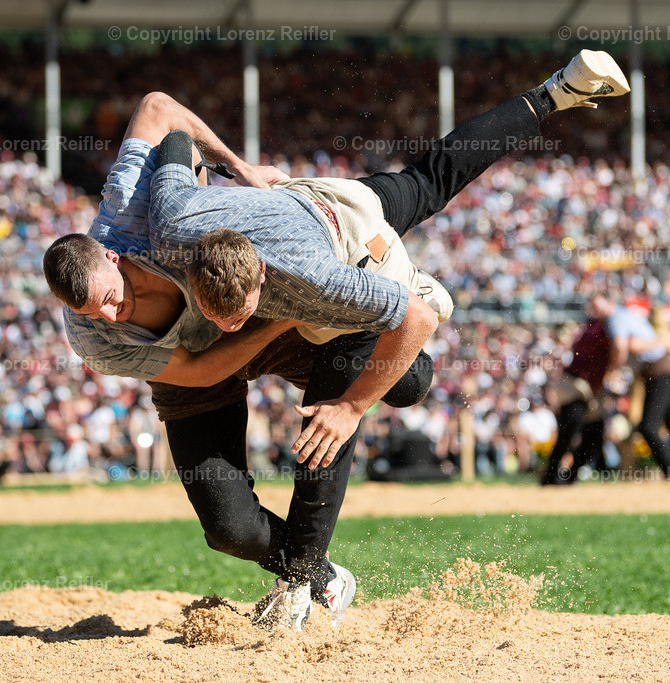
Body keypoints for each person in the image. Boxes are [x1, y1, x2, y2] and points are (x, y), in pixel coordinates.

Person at [43, 49, 630, 629]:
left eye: (113, 297)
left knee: (406, 360)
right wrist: (251, 286)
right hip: (217, 342)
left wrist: (346, 402)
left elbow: (161, 113)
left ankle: (551, 93)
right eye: (98, 312)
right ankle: (312, 570)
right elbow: (197, 371)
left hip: (327, 245)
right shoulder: (102, 321)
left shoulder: (243, 256)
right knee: (229, 530)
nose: (114, 314)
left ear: (116, 255)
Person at [592, 294, 670, 479]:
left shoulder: (616, 319)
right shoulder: (625, 316)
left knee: (649, 426)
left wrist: (614, 370)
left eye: (598, 306)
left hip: (658, 372)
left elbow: (621, 346)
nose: (596, 311)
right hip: (663, 370)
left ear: (609, 302)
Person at [541, 301, 612, 485]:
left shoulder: (600, 329)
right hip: (576, 385)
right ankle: (551, 477)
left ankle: (568, 478)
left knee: (593, 432)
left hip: (589, 388)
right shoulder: (594, 330)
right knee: (570, 429)